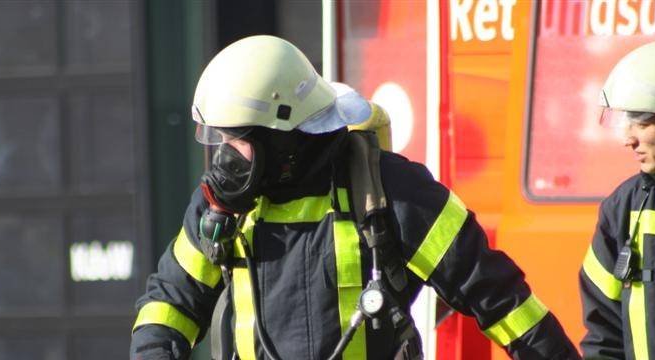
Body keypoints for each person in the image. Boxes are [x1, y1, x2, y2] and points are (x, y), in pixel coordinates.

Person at [131, 35, 579, 360]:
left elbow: (497, 295)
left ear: (282, 139)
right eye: (220, 140)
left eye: (239, 141)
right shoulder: (220, 208)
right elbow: (171, 301)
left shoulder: (392, 191)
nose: (225, 159)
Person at [580, 40, 655, 360]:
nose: (629, 138)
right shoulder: (623, 208)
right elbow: (603, 331)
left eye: (643, 122)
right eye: (627, 122)